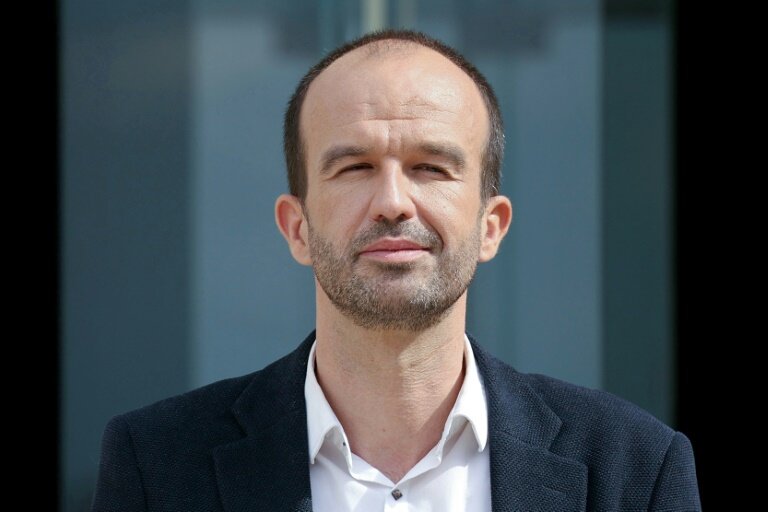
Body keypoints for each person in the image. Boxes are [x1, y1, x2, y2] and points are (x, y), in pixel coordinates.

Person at [91, 29, 701, 511]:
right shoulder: (158, 465)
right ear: (296, 227)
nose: (393, 201)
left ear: (491, 226)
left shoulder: (632, 470)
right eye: (354, 166)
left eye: (432, 167)